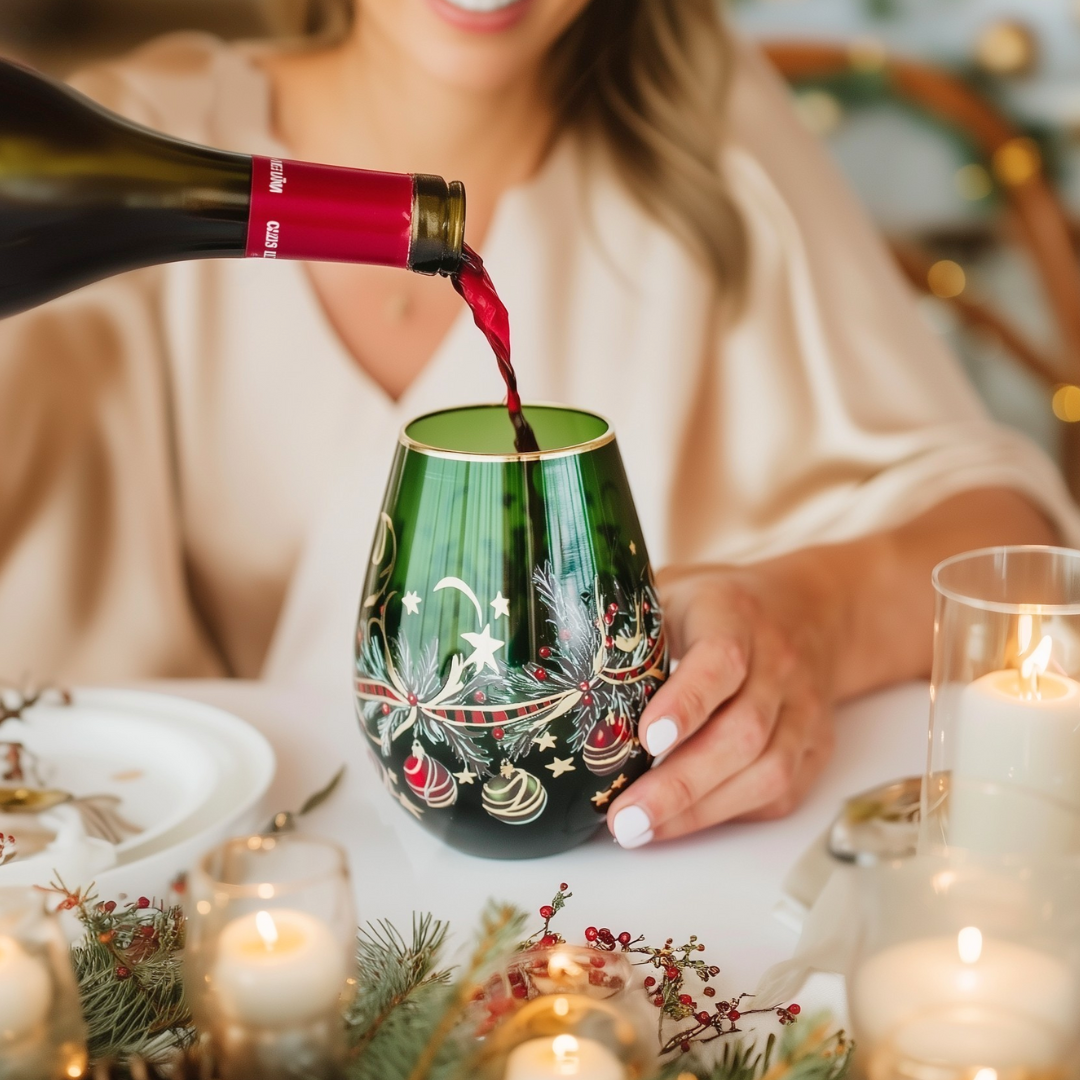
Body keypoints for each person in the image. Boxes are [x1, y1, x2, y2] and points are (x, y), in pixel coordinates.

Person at [0, 0, 1075, 850]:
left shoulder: (706, 142)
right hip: (203, 899)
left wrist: (813, 618)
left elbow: (1004, 545)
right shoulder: (127, 133)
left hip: (597, 929)